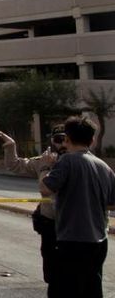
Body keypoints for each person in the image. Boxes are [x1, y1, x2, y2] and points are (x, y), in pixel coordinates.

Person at [40, 116, 115, 298]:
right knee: (92, 289)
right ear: (92, 140)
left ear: (67, 139)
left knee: (65, 289)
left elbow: (45, 189)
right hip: (99, 240)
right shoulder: (104, 167)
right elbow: (112, 203)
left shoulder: (67, 161)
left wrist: (46, 167)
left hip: (72, 240)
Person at [0, 126, 65, 296]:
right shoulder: (43, 161)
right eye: (58, 139)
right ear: (52, 140)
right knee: (52, 275)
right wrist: (11, 146)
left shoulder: (77, 161)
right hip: (50, 223)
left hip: (74, 225)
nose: (62, 144)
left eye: (65, 139)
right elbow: (15, 165)